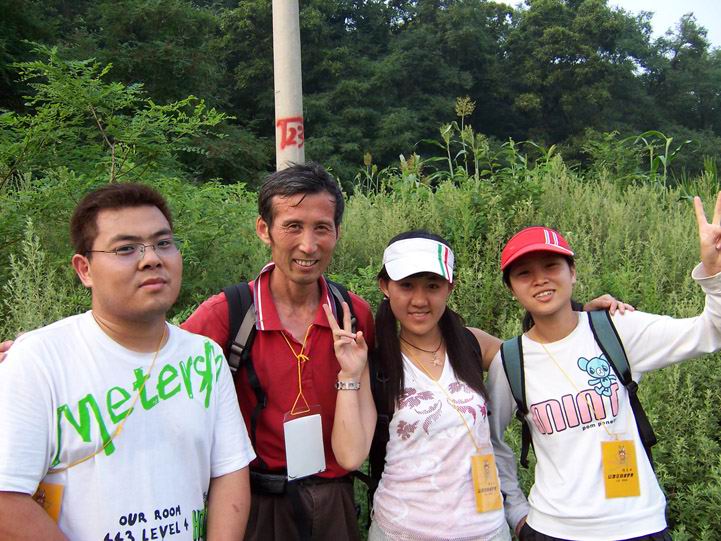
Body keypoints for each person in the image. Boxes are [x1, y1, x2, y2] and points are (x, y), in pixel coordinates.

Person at [325, 230, 629, 541]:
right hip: (403, 532)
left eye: (433, 286)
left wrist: (583, 322)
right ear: (385, 286)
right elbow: (350, 457)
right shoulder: (377, 365)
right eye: (406, 286)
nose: (420, 300)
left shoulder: (472, 345)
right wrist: (349, 375)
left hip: (487, 530)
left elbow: (543, 355)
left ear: (450, 287)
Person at [0, 183, 255, 541]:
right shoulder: (38, 361)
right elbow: (7, 499)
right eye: (125, 248)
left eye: (163, 243)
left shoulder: (205, 357)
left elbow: (229, 469)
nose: (152, 259)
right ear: (84, 269)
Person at [487, 193, 721, 541]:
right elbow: (490, 442)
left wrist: (714, 274)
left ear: (572, 273)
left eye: (551, 266)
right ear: (511, 288)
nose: (540, 280)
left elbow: (709, 333)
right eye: (524, 273)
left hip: (639, 526)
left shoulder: (616, 329)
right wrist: (517, 512)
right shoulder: (510, 361)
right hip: (552, 529)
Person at [181, 162, 377, 541]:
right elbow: (166, 375)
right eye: (293, 226)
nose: (308, 245)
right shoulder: (228, 314)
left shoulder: (353, 315)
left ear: (337, 232)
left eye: (322, 228)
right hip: (257, 501)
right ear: (263, 229)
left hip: (335, 499)